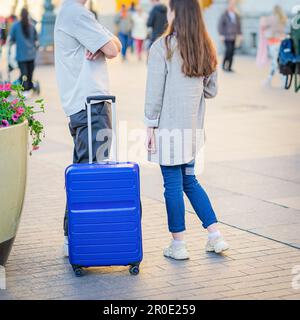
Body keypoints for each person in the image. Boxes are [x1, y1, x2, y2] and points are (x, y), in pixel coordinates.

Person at [144, 0, 229, 260]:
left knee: (172, 185)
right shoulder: (205, 47)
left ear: (175, 13)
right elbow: (211, 90)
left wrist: (149, 125)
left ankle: (178, 244)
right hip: (192, 131)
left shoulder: (163, 47)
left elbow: (154, 93)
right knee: (189, 181)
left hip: (169, 130)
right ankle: (215, 235)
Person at [54, 0, 121, 256]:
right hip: (90, 106)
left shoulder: (75, 13)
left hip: (84, 107)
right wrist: (105, 46)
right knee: (90, 174)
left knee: (86, 169)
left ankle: (75, 236)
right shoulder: (77, 14)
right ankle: (75, 238)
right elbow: (113, 50)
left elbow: (115, 45)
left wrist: (104, 44)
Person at [9, 8, 38, 93]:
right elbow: (36, 40)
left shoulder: (15, 26)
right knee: (29, 74)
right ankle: (28, 88)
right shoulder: (32, 25)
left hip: (21, 56)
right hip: (31, 54)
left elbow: (11, 39)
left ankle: (25, 90)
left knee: (24, 74)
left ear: (20, 15)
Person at [261, 5, 287, 87]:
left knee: (275, 62)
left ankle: (273, 80)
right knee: (279, 61)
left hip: (273, 42)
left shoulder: (271, 18)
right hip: (282, 42)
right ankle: (280, 80)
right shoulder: (283, 18)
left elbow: (263, 25)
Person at [218, 0, 242, 72]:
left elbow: (238, 26)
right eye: (231, 4)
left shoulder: (236, 15)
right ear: (228, 5)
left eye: (233, 4)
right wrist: (221, 34)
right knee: (228, 50)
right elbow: (220, 25)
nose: (232, 6)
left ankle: (229, 67)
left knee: (232, 52)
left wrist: (240, 34)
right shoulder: (224, 14)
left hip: (234, 36)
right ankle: (224, 65)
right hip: (226, 36)